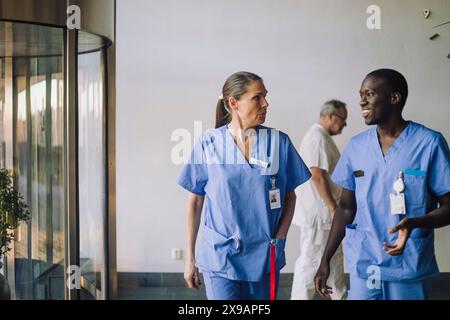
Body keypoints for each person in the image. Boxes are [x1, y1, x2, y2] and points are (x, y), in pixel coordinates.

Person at [314, 68, 450, 300]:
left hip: (407, 262)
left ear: (394, 98)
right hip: (365, 261)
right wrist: (324, 259)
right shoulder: (357, 147)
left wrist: (415, 222)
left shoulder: (429, 143)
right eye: (361, 94)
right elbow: (346, 208)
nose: (361, 101)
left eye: (369, 94)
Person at [177, 71, 311, 300]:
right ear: (233, 103)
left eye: (265, 97)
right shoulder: (208, 143)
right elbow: (195, 202)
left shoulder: (279, 142)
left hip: (264, 256)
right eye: (257, 97)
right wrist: (189, 258)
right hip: (220, 256)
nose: (265, 103)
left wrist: (280, 238)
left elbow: (290, 196)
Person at [291, 100, 348, 300]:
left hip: (328, 215)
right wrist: (333, 208)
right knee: (311, 262)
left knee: (334, 259)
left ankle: (339, 296)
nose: (344, 124)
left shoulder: (322, 137)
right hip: (321, 214)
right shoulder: (316, 137)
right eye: (343, 119)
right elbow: (317, 175)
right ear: (331, 116)